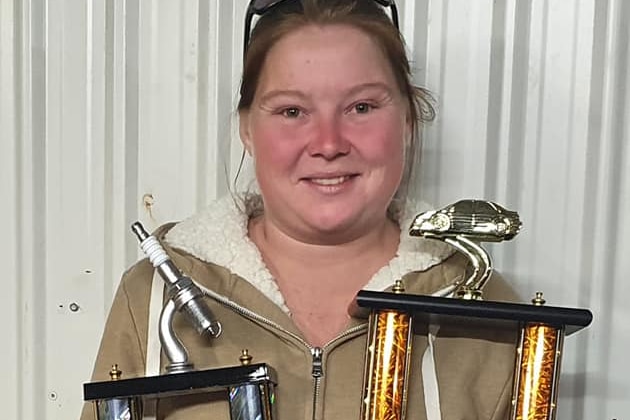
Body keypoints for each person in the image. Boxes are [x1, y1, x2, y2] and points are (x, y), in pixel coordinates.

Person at [81, 0, 518, 419]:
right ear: (247, 129)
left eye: (361, 107)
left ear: (406, 119)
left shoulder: (488, 313)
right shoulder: (154, 298)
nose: (328, 143)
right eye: (292, 111)